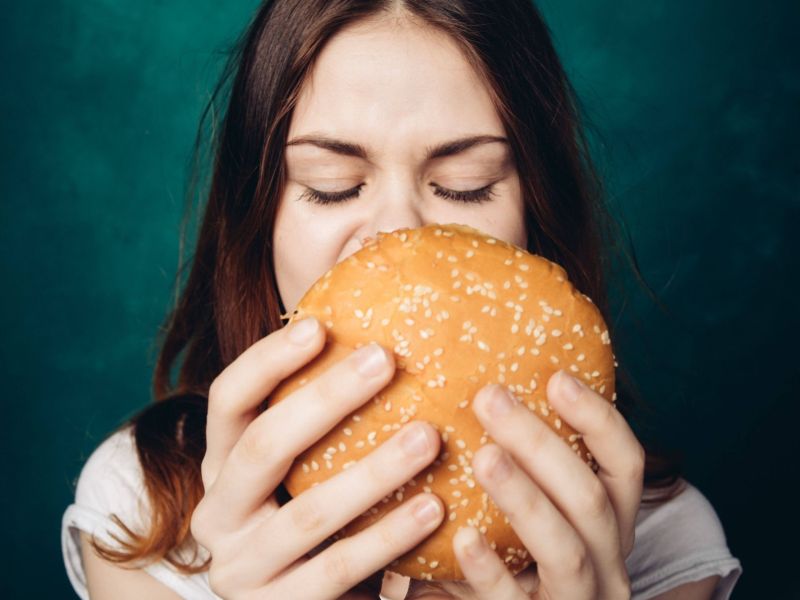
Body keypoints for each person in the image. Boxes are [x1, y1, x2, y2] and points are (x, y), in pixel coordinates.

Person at [61, 1, 742, 598]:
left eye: (467, 184)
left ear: (536, 214)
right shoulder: (142, 508)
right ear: (256, 221)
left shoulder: (663, 543)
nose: (400, 240)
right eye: (330, 185)